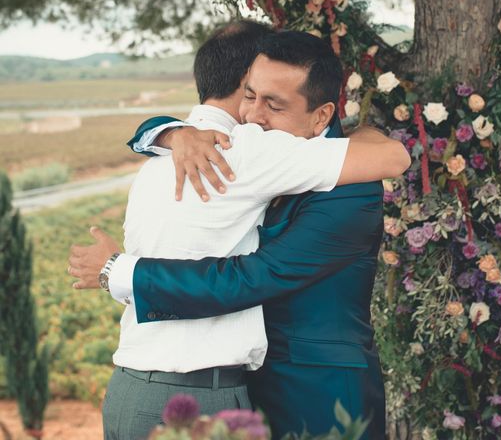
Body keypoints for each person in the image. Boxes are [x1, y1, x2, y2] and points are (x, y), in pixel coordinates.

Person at [70, 29, 401, 440]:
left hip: (319, 398)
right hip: (233, 393)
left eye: (273, 104)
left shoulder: (349, 185)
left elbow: (255, 277)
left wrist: (119, 272)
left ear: (320, 116)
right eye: (249, 96)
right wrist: (171, 131)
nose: (253, 116)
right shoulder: (231, 149)